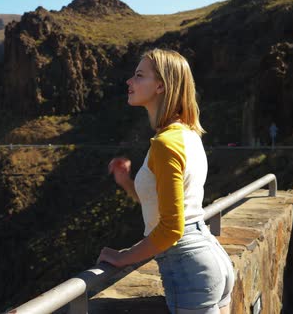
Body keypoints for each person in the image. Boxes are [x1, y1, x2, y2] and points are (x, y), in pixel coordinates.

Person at [96, 48, 235, 313]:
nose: (129, 81)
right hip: (210, 256)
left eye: (139, 76)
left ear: (160, 85)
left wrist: (123, 257)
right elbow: (166, 206)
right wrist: (127, 182)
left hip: (188, 267)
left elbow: (171, 229)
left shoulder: (165, 144)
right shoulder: (188, 134)